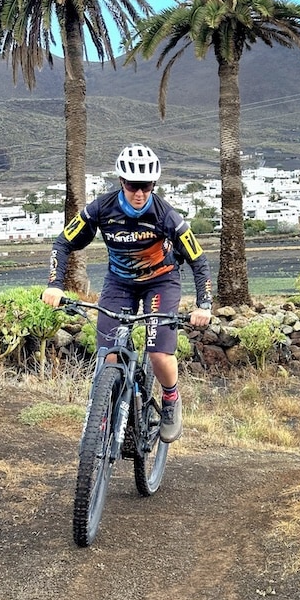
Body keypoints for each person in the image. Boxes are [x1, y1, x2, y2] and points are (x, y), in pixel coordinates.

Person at [42, 143, 213, 443]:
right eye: (133, 186)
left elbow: (198, 259)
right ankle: (108, 411)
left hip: (161, 282)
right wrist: (55, 285)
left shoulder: (166, 216)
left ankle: (170, 400)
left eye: (147, 186)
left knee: (158, 353)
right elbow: (63, 242)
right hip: (119, 284)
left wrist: (204, 304)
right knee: (109, 356)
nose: (140, 193)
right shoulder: (101, 208)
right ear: (121, 181)